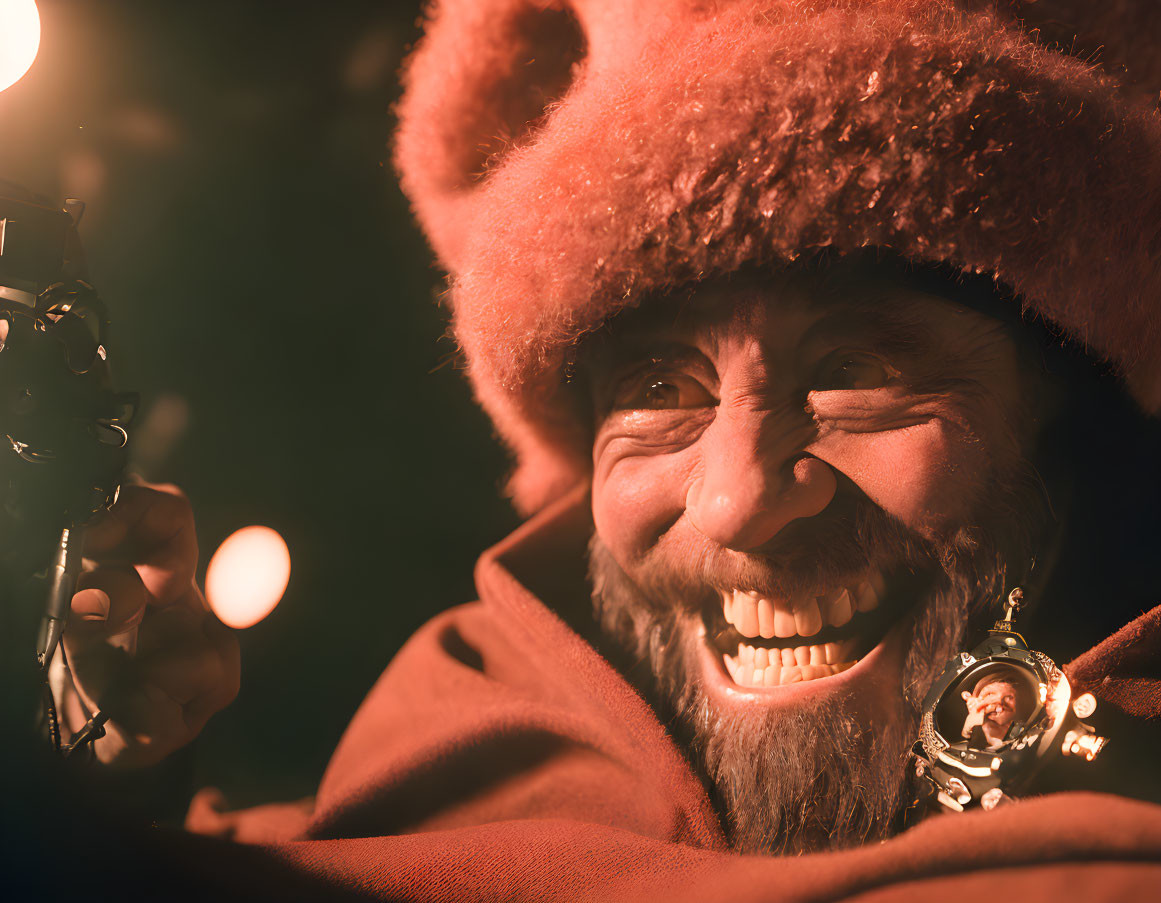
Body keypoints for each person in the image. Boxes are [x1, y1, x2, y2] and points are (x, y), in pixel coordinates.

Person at [51, 0, 1161, 899]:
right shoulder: (460, 737)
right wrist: (106, 776)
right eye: (661, 390)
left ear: (1071, 411)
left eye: (861, 374)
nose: (733, 502)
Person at [960, 667, 1035, 751]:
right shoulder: (962, 745)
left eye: (1009, 697)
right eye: (990, 694)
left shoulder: (1027, 737)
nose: (999, 702)